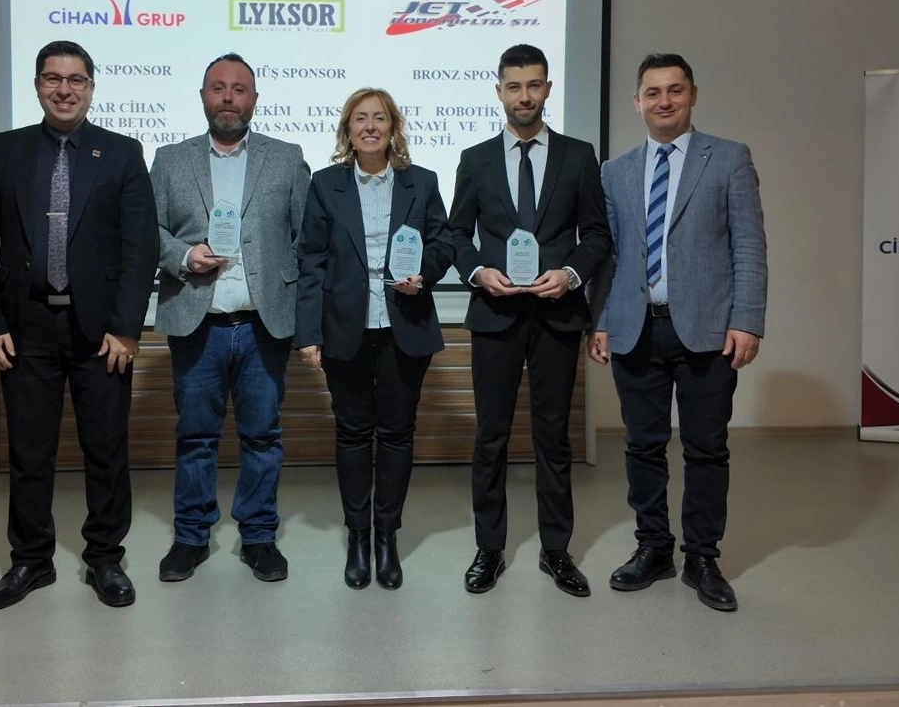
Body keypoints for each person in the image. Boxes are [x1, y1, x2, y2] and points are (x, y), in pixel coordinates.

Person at [0, 40, 158, 610]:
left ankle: (105, 558)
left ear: (91, 87)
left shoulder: (122, 152)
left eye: (76, 80)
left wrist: (127, 328)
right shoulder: (5, 150)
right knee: (29, 452)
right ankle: (31, 560)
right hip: (24, 327)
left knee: (106, 449)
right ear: (38, 86)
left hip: (101, 332)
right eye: (53, 78)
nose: (64, 89)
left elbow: (140, 247)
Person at [589, 52, 767, 613]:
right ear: (636, 102)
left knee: (706, 448)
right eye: (653, 92)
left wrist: (747, 319)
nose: (663, 101)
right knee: (642, 446)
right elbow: (608, 256)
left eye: (675, 90)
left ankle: (703, 558)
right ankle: (653, 548)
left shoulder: (729, 158)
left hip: (708, 331)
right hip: (635, 328)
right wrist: (600, 321)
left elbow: (749, 245)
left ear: (692, 95)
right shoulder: (614, 171)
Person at [448, 44, 612, 597]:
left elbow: (597, 235)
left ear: (547, 89)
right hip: (495, 314)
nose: (525, 96)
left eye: (534, 85)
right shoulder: (474, 159)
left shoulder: (578, 155)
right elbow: (456, 235)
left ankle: (556, 550)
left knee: (553, 437)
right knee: (490, 437)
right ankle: (489, 549)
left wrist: (571, 274)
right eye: (514, 86)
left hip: (557, 315)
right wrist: (477, 272)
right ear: (499, 91)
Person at [150, 53, 310, 584]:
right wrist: (182, 256)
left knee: (263, 436)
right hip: (197, 323)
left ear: (254, 99)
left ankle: (259, 537)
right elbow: (148, 231)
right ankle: (191, 537)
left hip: (264, 325)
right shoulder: (170, 160)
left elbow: (305, 237)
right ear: (202, 96)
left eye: (239, 89)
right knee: (196, 437)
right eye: (218, 88)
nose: (228, 97)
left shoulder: (286, 158)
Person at [295, 88, 455, 590]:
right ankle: (357, 538)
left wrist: (424, 275)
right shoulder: (326, 185)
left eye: (379, 118)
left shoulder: (421, 182)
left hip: (404, 325)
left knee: (398, 434)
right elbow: (310, 260)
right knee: (351, 434)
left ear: (392, 127)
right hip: (344, 329)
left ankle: (386, 537)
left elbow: (443, 242)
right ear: (348, 129)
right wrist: (308, 332)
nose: (370, 127)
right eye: (360, 119)